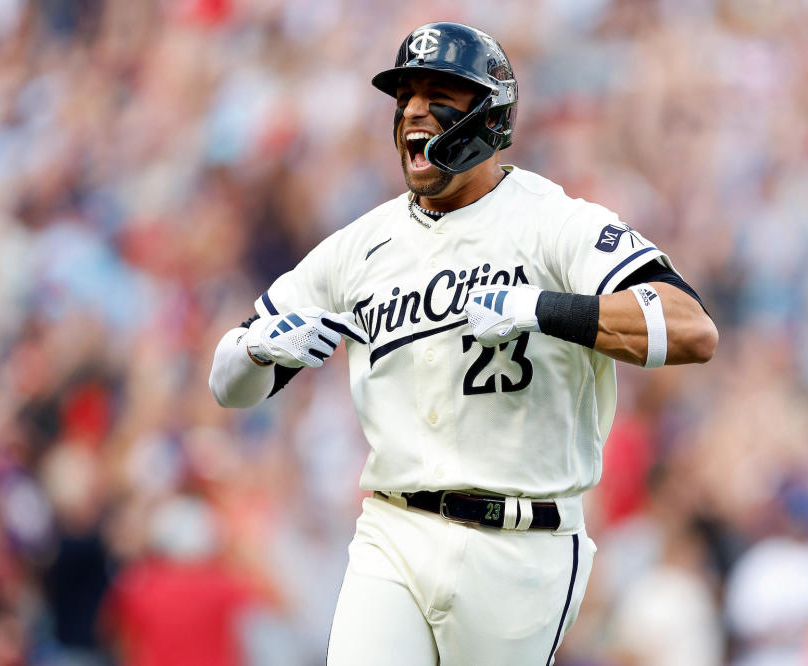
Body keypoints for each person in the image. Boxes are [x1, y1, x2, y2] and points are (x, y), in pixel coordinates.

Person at [209, 21, 717, 666]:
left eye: (440, 92)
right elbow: (227, 387)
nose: (416, 110)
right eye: (406, 96)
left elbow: (692, 328)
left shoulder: (555, 221)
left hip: (523, 547)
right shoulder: (359, 246)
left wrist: (539, 307)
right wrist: (258, 352)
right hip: (394, 531)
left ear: (490, 116)